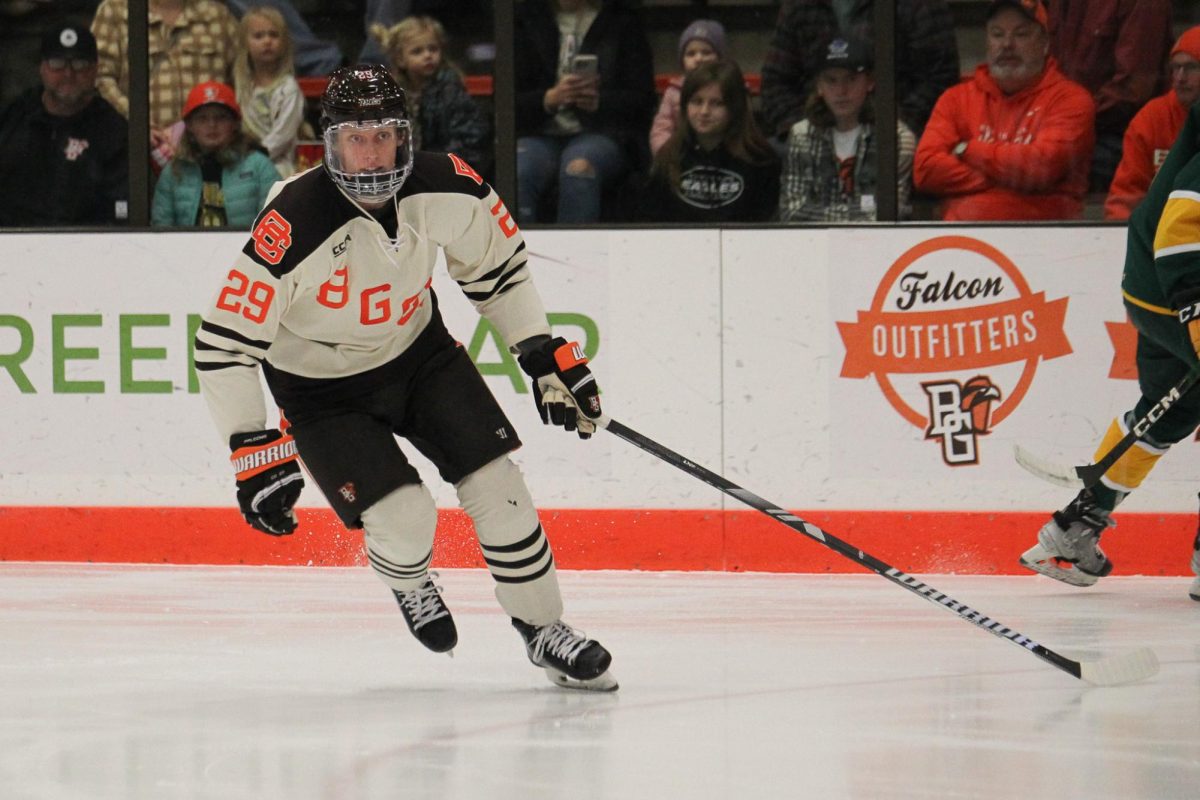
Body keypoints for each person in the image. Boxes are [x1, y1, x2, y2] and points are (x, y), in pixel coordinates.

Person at [192, 64, 618, 690]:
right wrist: (250, 443)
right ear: (330, 143)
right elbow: (222, 343)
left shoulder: (449, 186)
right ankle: (411, 578)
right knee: (407, 518)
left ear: (406, 137)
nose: (370, 154)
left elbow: (498, 272)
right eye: (355, 138)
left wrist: (541, 350)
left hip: (420, 355)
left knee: (499, 487)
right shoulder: (294, 224)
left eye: (384, 135)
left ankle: (543, 628)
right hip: (320, 390)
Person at [1019, 97, 1200, 603]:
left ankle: (1073, 530)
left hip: (1152, 288)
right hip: (1178, 290)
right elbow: (1184, 230)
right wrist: (1195, 309)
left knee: (1169, 409)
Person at [911, 0, 1095, 221]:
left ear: (1045, 42)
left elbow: (1040, 169)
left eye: (1021, 34)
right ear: (987, 42)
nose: (1007, 44)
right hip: (961, 242)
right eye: (997, 34)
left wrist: (967, 150)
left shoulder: (1071, 99)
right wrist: (1003, 178)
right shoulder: (955, 99)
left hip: (1048, 242)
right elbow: (926, 170)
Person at [514, 0, 656, 224]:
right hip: (537, 132)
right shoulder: (524, 19)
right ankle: (515, 255)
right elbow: (505, 100)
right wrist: (548, 100)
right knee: (520, 171)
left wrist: (600, 103)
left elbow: (641, 99)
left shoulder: (623, 21)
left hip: (603, 132)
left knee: (579, 168)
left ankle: (570, 256)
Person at [759, 0, 959, 146]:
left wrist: (892, 130)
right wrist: (807, 131)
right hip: (813, 134)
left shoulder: (920, 5)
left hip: (893, 137)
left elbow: (939, 80)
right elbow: (775, 83)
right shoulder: (799, 4)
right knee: (763, 160)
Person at [0, 22, 128, 227]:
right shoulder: (14, 116)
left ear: (95, 69)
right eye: (57, 63)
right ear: (41, 68)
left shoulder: (114, 131)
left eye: (79, 64)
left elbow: (121, 217)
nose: (68, 74)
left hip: (85, 250)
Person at [779, 37, 915, 222]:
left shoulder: (896, 138)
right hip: (815, 246)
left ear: (870, 82)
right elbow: (791, 211)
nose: (841, 90)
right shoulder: (801, 135)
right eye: (831, 80)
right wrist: (851, 218)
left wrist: (829, 217)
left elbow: (891, 212)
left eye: (851, 79)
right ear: (819, 86)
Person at [1046, 0, 1172, 196]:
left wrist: (1072, 117)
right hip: (1066, 121)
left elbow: (1133, 89)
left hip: (1116, 129)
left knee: (1048, 169)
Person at [91, 0, 238, 165]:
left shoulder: (217, 15)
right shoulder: (115, 11)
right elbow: (99, 76)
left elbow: (242, 78)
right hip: (140, 154)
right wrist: (137, 122)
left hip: (212, 152)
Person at [636, 60, 778, 223]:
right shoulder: (668, 155)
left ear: (735, 107)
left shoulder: (760, 161)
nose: (704, 112)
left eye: (717, 103)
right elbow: (651, 221)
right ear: (685, 105)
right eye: (697, 102)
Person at [371, 15, 491, 178]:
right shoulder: (391, 95)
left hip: (445, 172)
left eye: (433, 49)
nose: (428, 55)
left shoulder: (451, 90)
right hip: (405, 175)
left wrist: (436, 164)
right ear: (400, 59)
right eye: (417, 51)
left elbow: (469, 137)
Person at [151, 80, 279, 226]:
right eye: (202, 118)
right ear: (189, 125)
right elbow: (160, 231)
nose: (212, 125)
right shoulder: (174, 172)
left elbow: (276, 224)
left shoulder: (259, 167)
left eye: (221, 117)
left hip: (245, 249)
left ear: (235, 123)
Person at [1104, 27, 1200, 222]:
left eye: (1191, 67)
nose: (1180, 78)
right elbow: (1124, 198)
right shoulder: (1152, 118)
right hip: (1158, 236)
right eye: (1175, 68)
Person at [233, 5, 304, 178]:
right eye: (258, 36)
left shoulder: (288, 88)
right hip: (243, 163)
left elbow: (283, 135)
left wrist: (257, 157)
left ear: (284, 42)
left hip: (278, 165)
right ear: (245, 44)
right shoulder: (242, 88)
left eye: (273, 35)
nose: (267, 41)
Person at [649, 18, 727, 157]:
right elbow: (662, 127)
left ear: (719, 58)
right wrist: (665, 153)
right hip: (680, 155)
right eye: (691, 53)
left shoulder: (729, 88)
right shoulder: (673, 92)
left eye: (706, 52)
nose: (698, 58)